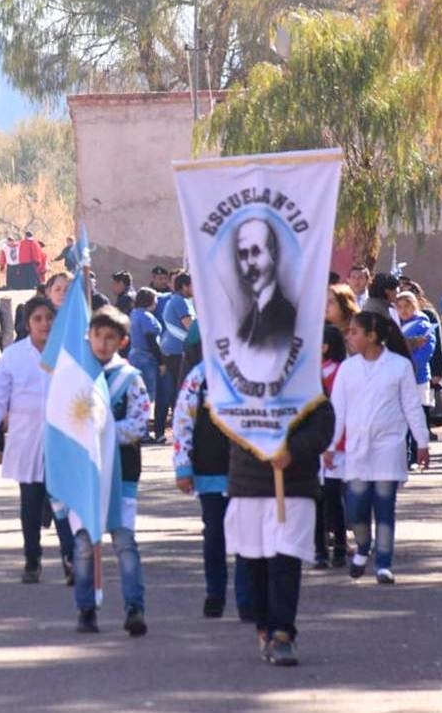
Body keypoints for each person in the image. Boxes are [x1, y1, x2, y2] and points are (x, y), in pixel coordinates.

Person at [226, 391, 335, 666]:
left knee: (286, 559)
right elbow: (225, 417)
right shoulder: (239, 377)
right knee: (256, 562)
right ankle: (264, 626)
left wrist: (292, 450)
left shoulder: (304, 375)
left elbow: (323, 423)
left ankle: (283, 633)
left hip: (295, 486)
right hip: (249, 483)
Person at [326, 312, 429, 586]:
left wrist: (422, 441)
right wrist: (330, 445)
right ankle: (363, 546)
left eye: (355, 332)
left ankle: (383, 564)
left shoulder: (399, 366)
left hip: (388, 446)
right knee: (357, 508)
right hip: (357, 449)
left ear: (371, 336)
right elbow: (337, 411)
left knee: (384, 508)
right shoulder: (347, 369)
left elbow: (411, 405)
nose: (349, 337)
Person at [0, 297, 75, 584]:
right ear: (28, 323)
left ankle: (71, 558)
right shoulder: (13, 356)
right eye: (38, 319)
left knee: (64, 504)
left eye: (49, 318)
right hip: (27, 439)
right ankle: (32, 559)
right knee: (31, 504)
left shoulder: (68, 352)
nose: (45, 324)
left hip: (62, 440)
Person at [69, 307, 150, 635]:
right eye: (98, 336)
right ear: (88, 336)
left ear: (122, 341)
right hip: (85, 476)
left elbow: (140, 423)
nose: (103, 343)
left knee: (125, 542)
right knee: (84, 545)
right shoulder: (76, 377)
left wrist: (104, 432)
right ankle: (86, 609)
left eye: (110, 338)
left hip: (121, 474)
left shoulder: (130, 378)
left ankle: (135, 608)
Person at [174, 359, 253, 618]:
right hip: (210, 468)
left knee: (247, 534)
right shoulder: (200, 375)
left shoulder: (255, 369)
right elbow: (183, 419)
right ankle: (215, 593)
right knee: (215, 532)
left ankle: (247, 599)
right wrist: (183, 466)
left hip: (249, 469)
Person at [234, 220, 297, 350]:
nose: (250, 262)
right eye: (243, 254)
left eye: (256, 251)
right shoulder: (248, 324)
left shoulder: (286, 316)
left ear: (272, 253)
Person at [316, 324, 348, 569]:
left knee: (333, 495)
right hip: (313, 441)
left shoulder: (340, 372)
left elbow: (341, 410)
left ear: (326, 346)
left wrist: (332, 443)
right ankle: (319, 549)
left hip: (335, 442)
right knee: (316, 497)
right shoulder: (309, 371)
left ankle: (339, 545)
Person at [396, 291, 437, 468]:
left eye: (407, 306)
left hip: (418, 376)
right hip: (399, 377)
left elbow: (426, 352)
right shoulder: (395, 325)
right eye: (400, 307)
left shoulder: (423, 325)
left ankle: (415, 455)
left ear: (416, 306)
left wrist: (408, 366)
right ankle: (403, 455)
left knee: (417, 415)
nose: (403, 310)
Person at [158, 272, 195, 441]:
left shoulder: (176, 300)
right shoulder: (181, 302)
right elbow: (191, 328)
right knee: (182, 392)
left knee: (175, 393)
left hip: (172, 351)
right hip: (178, 352)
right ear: (185, 286)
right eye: (192, 285)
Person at [127, 288, 165, 443]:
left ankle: (137, 430)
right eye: (154, 299)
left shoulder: (134, 314)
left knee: (137, 394)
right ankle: (143, 432)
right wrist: (161, 362)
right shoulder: (147, 317)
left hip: (135, 354)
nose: (156, 302)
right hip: (146, 358)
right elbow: (151, 341)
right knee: (148, 396)